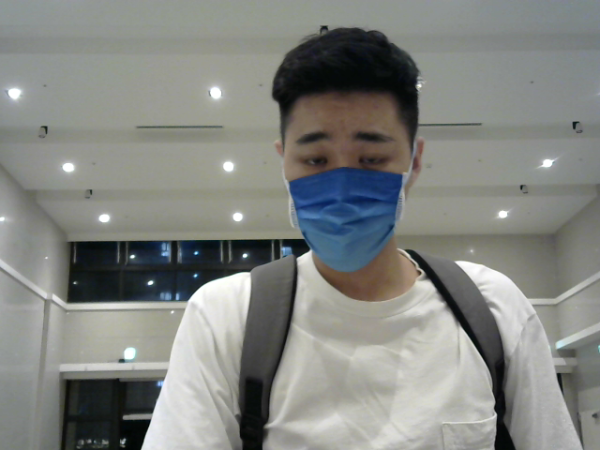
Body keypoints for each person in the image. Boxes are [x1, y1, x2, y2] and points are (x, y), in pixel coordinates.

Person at [142, 27, 581, 449]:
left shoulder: (493, 308)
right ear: (283, 160)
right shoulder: (226, 317)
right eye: (315, 159)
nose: (340, 188)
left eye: (371, 158)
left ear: (414, 161)